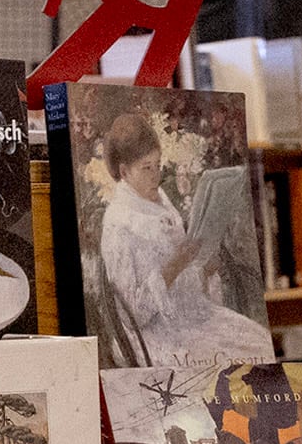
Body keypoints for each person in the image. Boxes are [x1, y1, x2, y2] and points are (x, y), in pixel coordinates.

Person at [95, 111, 273, 369]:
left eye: (157, 165)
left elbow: (184, 289)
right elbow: (134, 314)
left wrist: (204, 270)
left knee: (259, 342)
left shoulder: (160, 201)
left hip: (189, 318)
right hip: (153, 336)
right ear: (124, 171)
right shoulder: (118, 223)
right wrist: (175, 266)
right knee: (235, 359)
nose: (155, 175)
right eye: (146, 168)